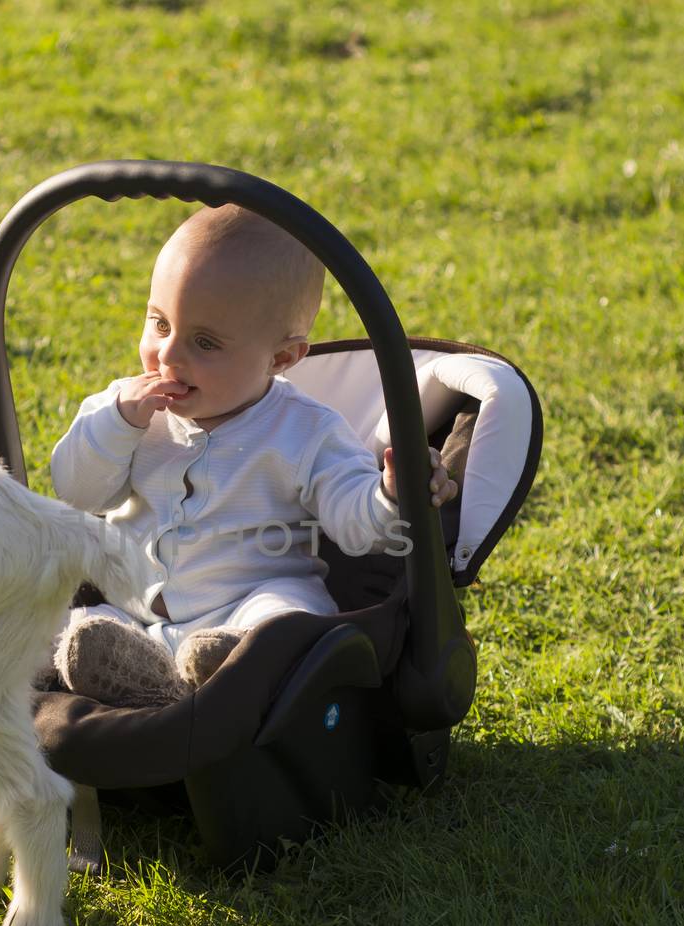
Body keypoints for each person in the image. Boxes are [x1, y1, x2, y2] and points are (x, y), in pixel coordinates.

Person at [48, 205, 455, 706]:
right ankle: (149, 680)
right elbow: (75, 489)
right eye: (159, 323)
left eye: (204, 342)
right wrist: (116, 424)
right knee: (75, 627)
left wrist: (391, 495)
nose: (168, 355)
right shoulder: (127, 409)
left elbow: (355, 524)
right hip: (135, 613)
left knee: (285, 617)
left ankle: (233, 669)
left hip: (248, 602)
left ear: (282, 358)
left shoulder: (306, 430)